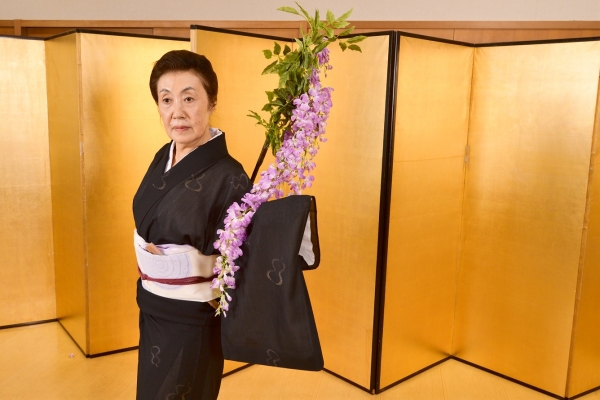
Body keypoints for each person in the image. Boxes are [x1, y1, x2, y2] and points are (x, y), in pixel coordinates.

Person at [132, 50, 249, 400]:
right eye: (166, 100)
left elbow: (240, 259)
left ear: (211, 101)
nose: (176, 112)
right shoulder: (162, 155)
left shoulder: (231, 176)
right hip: (153, 306)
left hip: (192, 317)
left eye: (188, 98)